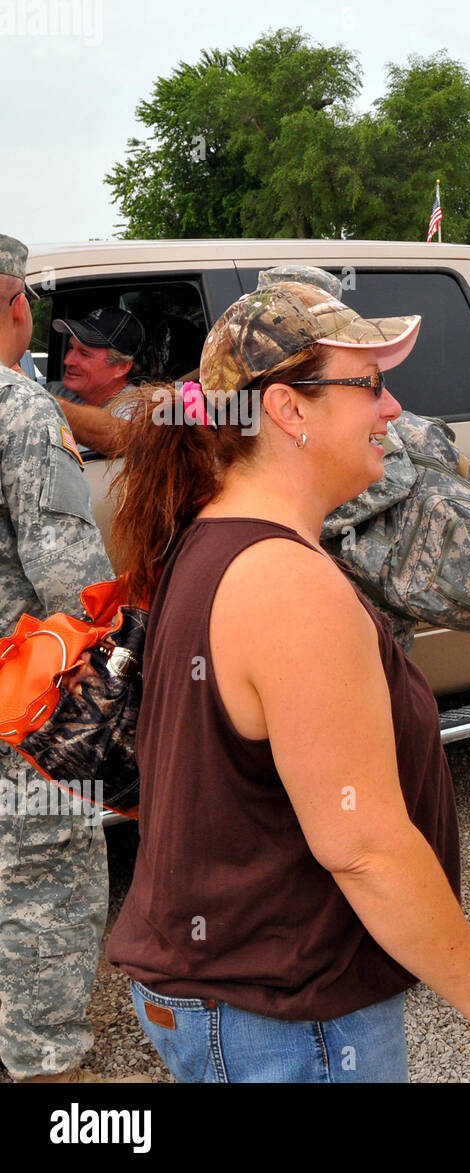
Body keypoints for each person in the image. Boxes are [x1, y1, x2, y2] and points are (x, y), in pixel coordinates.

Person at [106, 281, 470, 1083]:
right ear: (289, 410)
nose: (392, 409)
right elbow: (366, 847)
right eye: (369, 383)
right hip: (284, 1017)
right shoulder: (288, 582)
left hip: (237, 1001)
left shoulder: (213, 541)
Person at [0, 234, 140, 1083]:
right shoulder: (18, 410)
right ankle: (45, 1068)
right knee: (44, 883)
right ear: (16, 305)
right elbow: (72, 583)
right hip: (18, 707)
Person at [48, 306, 144, 455]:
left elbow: (119, 437)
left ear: (121, 367)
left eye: (84, 354)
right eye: (70, 347)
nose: (68, 360)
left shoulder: (139, 411)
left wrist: (45, 404)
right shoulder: (56, 391)